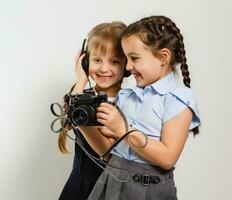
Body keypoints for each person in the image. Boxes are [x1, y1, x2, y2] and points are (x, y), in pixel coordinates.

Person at [85, 15, 201, 200]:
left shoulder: (178, 99)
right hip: (111, 181)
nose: (128, 66)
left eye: (134, 58)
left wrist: (122, 129)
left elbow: (168, 157)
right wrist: (84, 121)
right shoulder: (126, 96)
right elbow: (106, 153)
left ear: (163, 57)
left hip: (149, 190)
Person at [58, 21, 128, 200]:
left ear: (126, 65)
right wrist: (81, 79)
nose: (104, 69)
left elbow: (111, 154)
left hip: (115, 189)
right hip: (80, 187)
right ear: (86, 60)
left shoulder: (131, 102)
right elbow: (65, 124)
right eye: (97, 60)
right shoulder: (81, 94)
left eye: (114, 61)